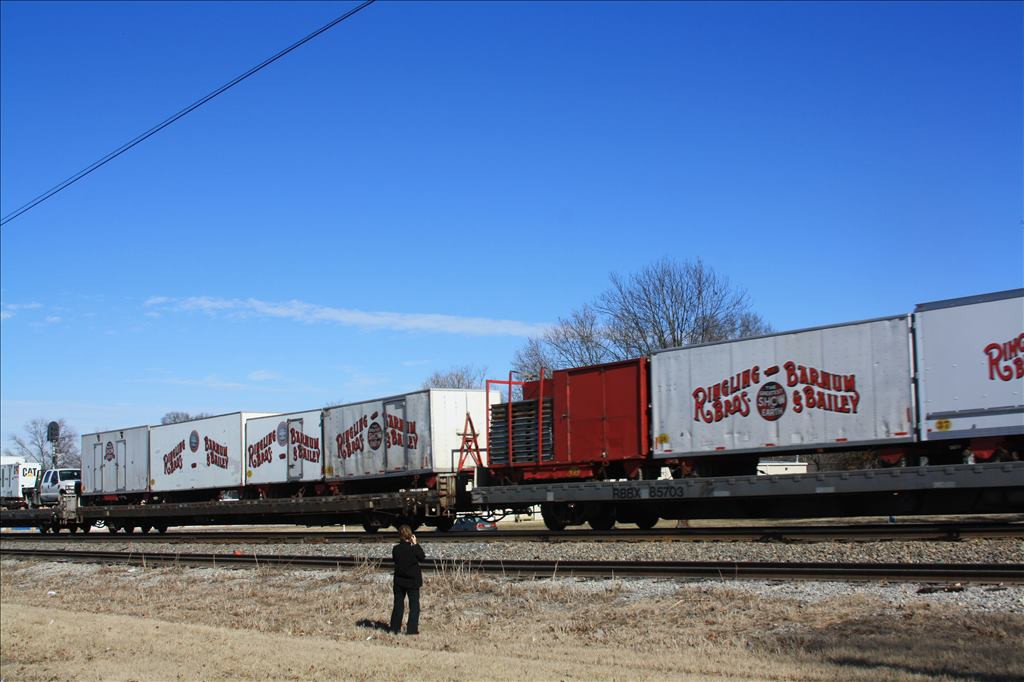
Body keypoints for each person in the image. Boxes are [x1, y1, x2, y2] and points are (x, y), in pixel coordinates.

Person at [389, 524, 425, 635]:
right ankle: (412, 630)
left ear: (400, 536)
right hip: (413, 582)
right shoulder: (413, 549)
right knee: (414, 606)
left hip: (399, 581)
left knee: (398, 605)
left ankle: (394, 628)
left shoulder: (396, 549)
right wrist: (415, 544)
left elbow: (395, 560)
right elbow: (422, 557)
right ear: (410, 535)